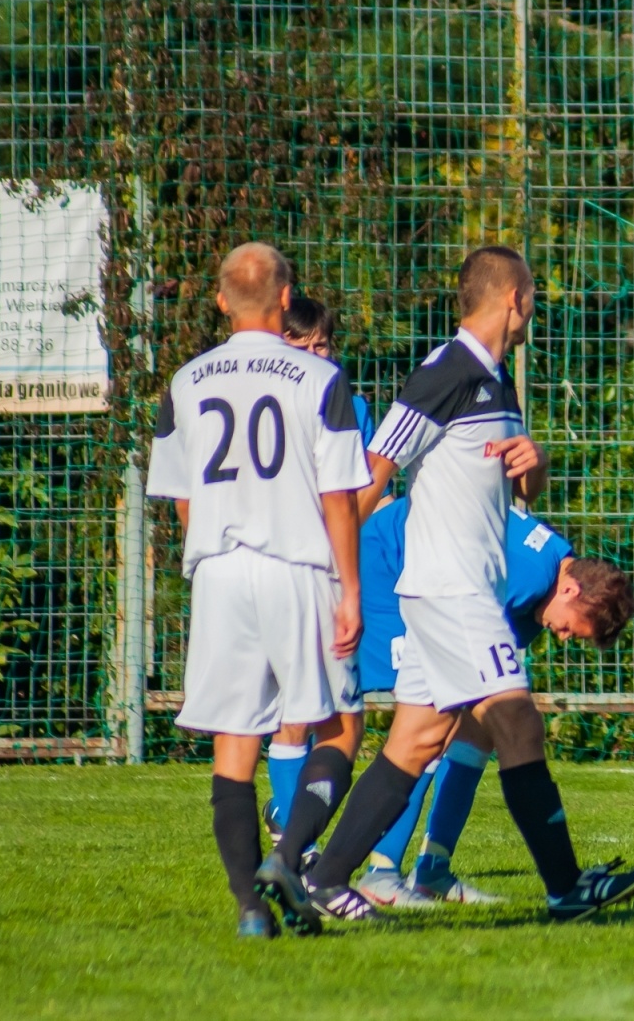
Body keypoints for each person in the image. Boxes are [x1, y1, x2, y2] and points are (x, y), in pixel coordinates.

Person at [256, 245, 634, 929]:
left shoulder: (498, 380)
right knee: (517, 720)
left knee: (414, 742)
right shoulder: (448, 370)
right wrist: (331, 573)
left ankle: (316, 877)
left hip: (458, 587)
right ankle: (566, 888)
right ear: (513, 298)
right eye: (531, 292)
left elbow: (517, 487)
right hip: (452, 589)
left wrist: (536, 465)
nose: (534, 305)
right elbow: (374, 470)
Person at [146, 243, 370, 938]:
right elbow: (338, 495)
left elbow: (180, 501)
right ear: (285, 298)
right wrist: (351, 588)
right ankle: (287, 858)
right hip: (295, 565)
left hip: (217, 569)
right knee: (340, 726)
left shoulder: (184, 382)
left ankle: (250, 910)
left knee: (233, 747)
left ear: (219, 300)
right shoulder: (317, 377)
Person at [351, 496, 634, 908]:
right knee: (431, 720)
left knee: (480, 730)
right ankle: (378, 873)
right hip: (388, 566)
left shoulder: (545, 587)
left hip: (427, 578)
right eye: (572, 628)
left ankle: (433, 869)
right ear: (571, 589)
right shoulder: (530, 576)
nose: (563, 637)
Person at [262, 295, 379, 856]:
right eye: (300, 345)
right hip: (286, 573)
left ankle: (289, 823)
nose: (314, 356)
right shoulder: (269, 407)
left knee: (335, 715)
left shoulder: (350, 408)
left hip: (333, 576)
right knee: (301, 713)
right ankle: (293, 840)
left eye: (323, 346)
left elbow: (366, 503)